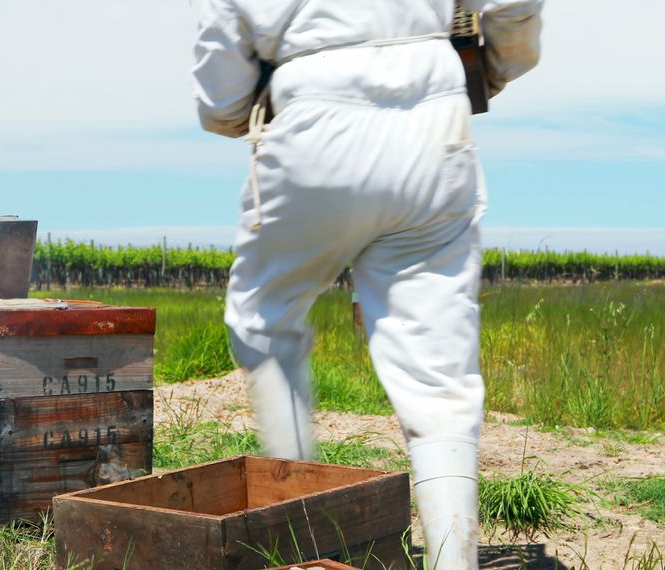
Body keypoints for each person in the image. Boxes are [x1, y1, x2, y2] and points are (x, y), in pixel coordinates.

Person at [191, 1, 542, 568]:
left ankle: (304, 542)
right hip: (437, 117)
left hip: (313, 116)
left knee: (264, 318)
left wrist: (236, 112)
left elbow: (221, 95)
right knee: (439, 376)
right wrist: (493, 67)